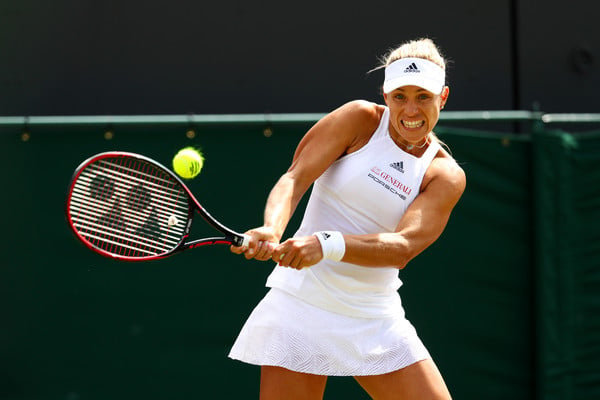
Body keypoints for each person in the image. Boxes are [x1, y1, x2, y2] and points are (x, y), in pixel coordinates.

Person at [229, 38, 466, 400]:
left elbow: (403, 247)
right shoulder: (358, 120)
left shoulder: (443, 175)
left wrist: (326, 244)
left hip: (374, 316)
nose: (411, 109)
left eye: (423, 96)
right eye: (400, 96)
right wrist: (272, 228)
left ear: (443, 97)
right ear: (385, 95)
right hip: (300, 305)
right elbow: (295, 178)